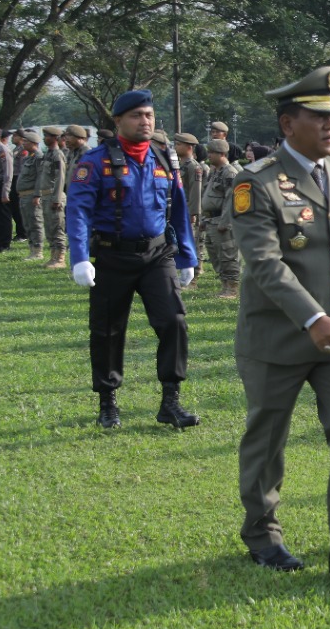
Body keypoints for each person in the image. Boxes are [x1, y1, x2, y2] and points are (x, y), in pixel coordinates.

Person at [230, 66, 330, 577]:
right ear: (287, 124)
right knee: (269, 435)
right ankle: (262, 533)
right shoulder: (254, 182)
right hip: (278, 333)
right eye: (318, 118)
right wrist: (312, 317)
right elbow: (265, 264)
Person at [65, 89, 200, 430]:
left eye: (149, 115)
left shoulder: (163, 158)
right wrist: (80, 257)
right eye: (137, 115)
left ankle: (171, 400)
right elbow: (78, 211)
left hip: (157, 254)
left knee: (173, 321)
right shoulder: (94, 162)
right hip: (112, 255)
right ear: (119, 120)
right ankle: (108, 402)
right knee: (108, 330)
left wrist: (187, 256)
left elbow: (179, 209)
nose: (145, 121)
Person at [201, 138, 244, 299]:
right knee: (215, 255)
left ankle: (232, 288)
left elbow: (231, 199)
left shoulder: (230, 172)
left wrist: (225, 221)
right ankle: (224, 285)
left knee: (228, 254)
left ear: (223, 154)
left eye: (212, 152)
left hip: (222, 221)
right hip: (212, 219)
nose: (209, 155)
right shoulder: (215, 171)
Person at [173, 133, 207, 286]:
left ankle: (192, 275)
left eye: (178, 144)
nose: (175, 146)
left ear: (189, 147)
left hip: (188, 209)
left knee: (191, 241)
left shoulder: (194, 166)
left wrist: (194, 212)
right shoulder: (180, 164)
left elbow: (195, 190)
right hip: (179, 208)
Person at [38, 126, 69, 267]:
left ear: (55, 138)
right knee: (49, 228)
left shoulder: (57, 154)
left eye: (48, 136)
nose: (45, 138)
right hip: (46, 195)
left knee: (57, 227)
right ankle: (53, 256)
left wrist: (56, 199)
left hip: (53, 195)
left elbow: (60, 178)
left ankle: (60, 258)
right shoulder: (48, 154)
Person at [15, 128, 44, 259]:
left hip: (32, 195)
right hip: (24, 195)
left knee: (35, 223)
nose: (23, 143)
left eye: (26, 141)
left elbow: (40, 177)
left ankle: (38, 251)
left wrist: (37, 195)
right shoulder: (29, 157)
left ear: (33, 142)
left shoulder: (38, 157)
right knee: (27, 224)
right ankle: (32, 249)